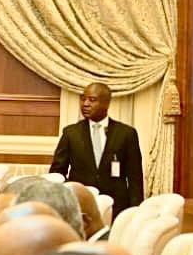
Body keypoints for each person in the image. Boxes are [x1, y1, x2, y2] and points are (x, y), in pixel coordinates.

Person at [49, 83, 144, 213]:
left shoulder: (126, 133)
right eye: (83, 99)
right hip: (80, 206)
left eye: (92, 100)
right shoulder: (71, 133)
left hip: (116, 207)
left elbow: (135, 178)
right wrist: (68, 197)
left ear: (106, 103)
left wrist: (135, 211)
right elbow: (57, 173)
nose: (85, 104)